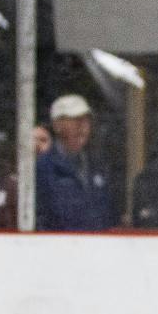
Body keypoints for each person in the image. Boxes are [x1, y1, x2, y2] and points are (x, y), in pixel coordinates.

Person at [38, 93, 116, 231]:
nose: (82, 126)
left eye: (86, 120)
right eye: (74, 120)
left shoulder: (97, 166)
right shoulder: (43, 168)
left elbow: (107, 215)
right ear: (57, 125)